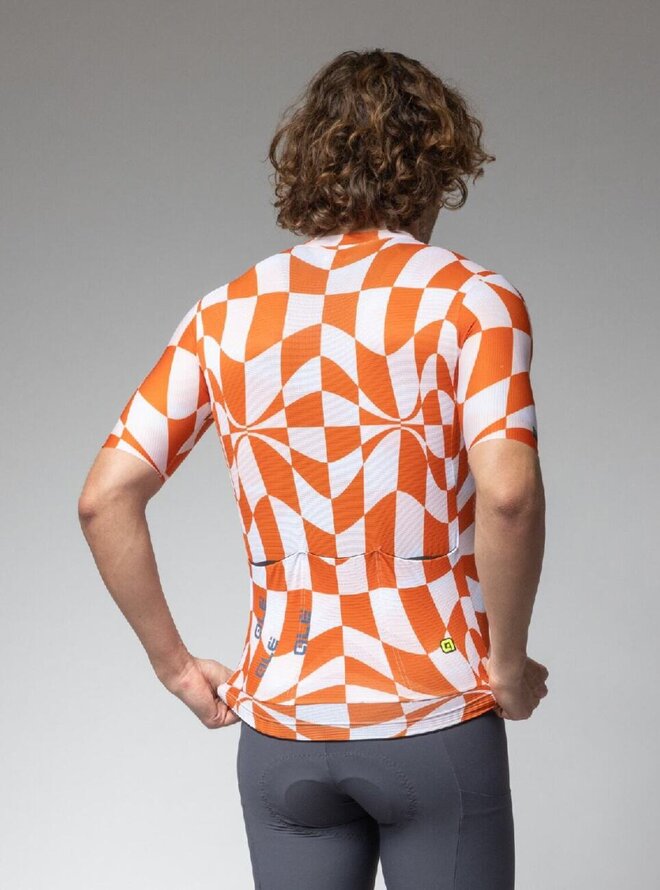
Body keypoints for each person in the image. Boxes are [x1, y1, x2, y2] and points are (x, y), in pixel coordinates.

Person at [78, 48, 548, 890]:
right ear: (436, 165)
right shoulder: (473, 299)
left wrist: (177, 669)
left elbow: (105, 497)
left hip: (282, 725)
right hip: (434, 706)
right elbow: (508, 495)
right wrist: (507, 667)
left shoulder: (223, 314)